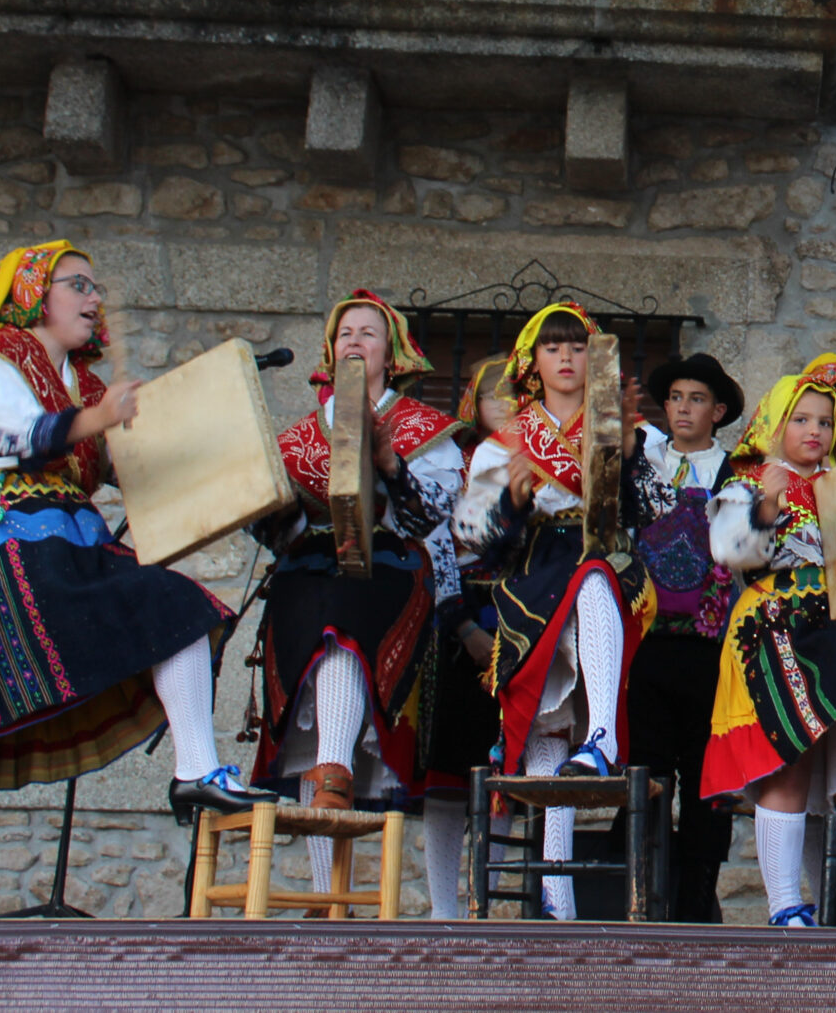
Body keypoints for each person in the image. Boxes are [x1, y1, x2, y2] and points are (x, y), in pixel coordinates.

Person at [0, 242, 274, 920]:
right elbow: (21, 434)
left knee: (177, 604)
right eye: (79, 284)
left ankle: (195, 769)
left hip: (62, 547)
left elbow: (138, 468)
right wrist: (102, 418)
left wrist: (220, 435)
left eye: (95, 287)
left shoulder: (86, 386)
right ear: (33, 293)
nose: (94, 298)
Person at [253, 289, 463, 901]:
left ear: (391, 355)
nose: (355, 341)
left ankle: (337, 776)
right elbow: (275, 534)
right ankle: (327, 899)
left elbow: (433, 520)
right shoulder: (298, 436)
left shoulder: (422, 428)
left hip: (387, 569)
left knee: (339, 620)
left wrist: (390, 465)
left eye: (369, 333)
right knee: (307, 694)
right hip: (306, 571)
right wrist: (274, 506)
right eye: (345, 333)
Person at [453, 303, 655, 919]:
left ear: (596, 359)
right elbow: (472, 539)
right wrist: (513, 503)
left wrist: (628, 454)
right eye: (552, 347)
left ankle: (602, 738)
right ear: (531, 363)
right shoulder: (506, 443)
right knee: (547, 728)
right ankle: (556, 897)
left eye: (577, 347)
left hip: (605, 560)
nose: (566, 357)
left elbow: (654, 511)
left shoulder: (620, 426)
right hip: (536, 572)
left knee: (594, 577)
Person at [701, 373, 836, 927]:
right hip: (775, 624)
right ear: (774, 425)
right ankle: (785, 908)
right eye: (801, 419)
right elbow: (728, 551)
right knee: (787, 763)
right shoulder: (749, 482)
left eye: (825, 421)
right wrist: (768, 503)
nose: (815, 431)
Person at [621, 351, 747, 922]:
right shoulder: (640, 461)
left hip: (710, 648)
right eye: (675, 398)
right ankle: (641, 899)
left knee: (706, 777)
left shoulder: (737, 472)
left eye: (696, 399)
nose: (683, 409)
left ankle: (697, 903)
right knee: (646, 770)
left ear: (717, 411)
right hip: (647, 641)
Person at [417, 357, 514, 918]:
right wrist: (461, 623)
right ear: (472, 403)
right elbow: (435, 545)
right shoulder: (452, 462)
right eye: (491, 394)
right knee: (449, 769)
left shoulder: (539, 463)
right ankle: (442, 908)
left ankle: (485, 901)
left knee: (502, 766)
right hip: (458, 621)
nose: (504, 403)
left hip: (519, 618)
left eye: (514, 392)